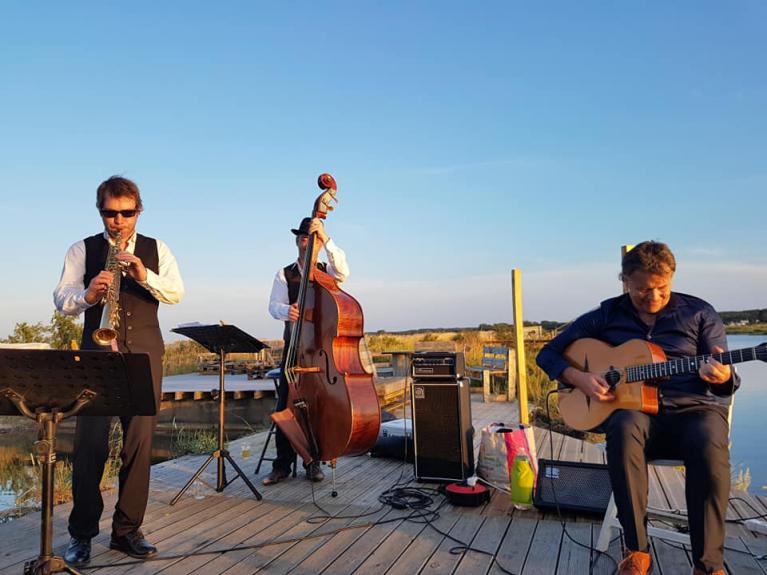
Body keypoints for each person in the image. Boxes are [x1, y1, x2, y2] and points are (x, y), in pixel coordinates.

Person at [536, 241, 737, 575]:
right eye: (643, 289)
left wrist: (721, 375)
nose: (654, 297)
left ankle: (708, 564)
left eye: (662, 288)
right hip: (638, 415)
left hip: (694, 412)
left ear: (671, 278)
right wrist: (579, 377)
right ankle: (636, 551)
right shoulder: (606, 314)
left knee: (710, 438)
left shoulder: (701, 313)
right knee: (624, 425)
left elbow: (726, 380)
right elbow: (549, 353)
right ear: (625, 281)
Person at [53, 176, 184, 566]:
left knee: (139, 445)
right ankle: (81, 536)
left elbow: (176, 292)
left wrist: (145, 275)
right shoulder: (82, 249)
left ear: (138, 211)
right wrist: (88, 295)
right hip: (98, 355)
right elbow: (62, 299)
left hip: (144, 354)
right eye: (110, 213)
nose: (118, 221)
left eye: (126, 213)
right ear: (101, 212)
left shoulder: (157, 249)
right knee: (89, 445)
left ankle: (127, 531)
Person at [263, 216, 349, 485]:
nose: (305, 239)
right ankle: (282, 465)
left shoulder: (327, 272)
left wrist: (326, 238)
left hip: (321, 353)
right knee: (285, 406)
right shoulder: (284, 273)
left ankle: (313, 462)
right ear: (296, 240)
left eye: (309, 236)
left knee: (317, 408)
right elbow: (272, 306)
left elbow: (344, 272)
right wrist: (286, 311)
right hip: (295, 349)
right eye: (302, 235)